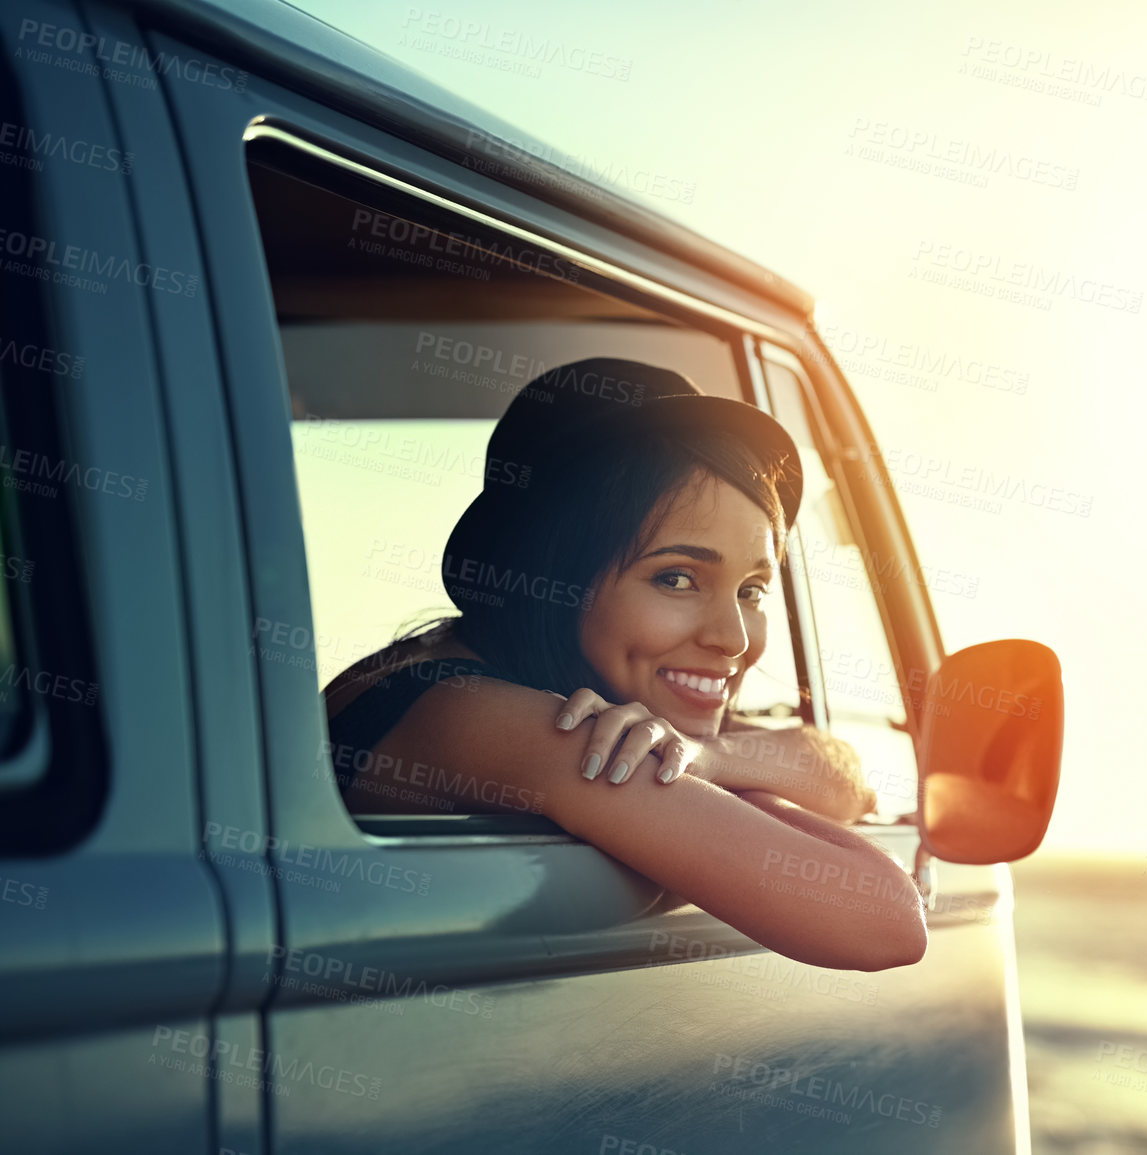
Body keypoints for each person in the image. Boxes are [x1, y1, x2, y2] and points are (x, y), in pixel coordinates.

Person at [321, 358, 926, 971]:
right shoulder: (493, 719)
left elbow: (844, 773)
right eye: (677, 578)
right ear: (554, 574)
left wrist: (711, 758)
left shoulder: (581, 690)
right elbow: (887, 922)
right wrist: (714, 786)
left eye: (751, 590)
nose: (734, 638)